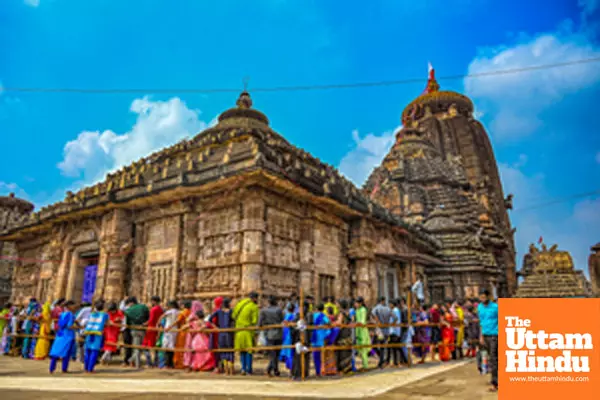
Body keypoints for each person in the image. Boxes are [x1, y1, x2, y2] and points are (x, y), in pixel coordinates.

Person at [233, 291, 259, 375]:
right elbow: (254, 321)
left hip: (239, 331)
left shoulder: (240, 303)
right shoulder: (254, 307)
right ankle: (249, 369)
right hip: (248, 331)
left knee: (242, 351)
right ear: (255, 298)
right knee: (249, 351)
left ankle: (243, 368)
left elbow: (233, 316)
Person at [49, 300, 79, 374]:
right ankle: (64, 369)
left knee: (55, 352)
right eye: (73, 305)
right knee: (67, 353)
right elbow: (69, 326)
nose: (75, 307)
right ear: (70, 306)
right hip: (68, 336)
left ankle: (51, 368)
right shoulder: (70, 314)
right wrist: (78, 327)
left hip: (60, 334)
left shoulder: (62, 314)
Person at [258, 295, 284, 377]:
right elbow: (282, 320)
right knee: (276, 353)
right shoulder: (279, 310)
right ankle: (274, 370)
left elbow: (259, 323)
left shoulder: (263, 311)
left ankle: (272, 369)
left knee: (272, 354)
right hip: (278, 333)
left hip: (269, 334)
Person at [478, 289, 498, 393]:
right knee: (487, 358)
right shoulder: (480, 307)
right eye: (480, 297)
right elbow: (481, 322)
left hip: (495, 335)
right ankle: (496, 379)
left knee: (494, 359)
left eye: (483, 297)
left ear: (488, 297)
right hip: (485, 335)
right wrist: (481, 336)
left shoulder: (495, 307)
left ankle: (495, 383)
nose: (482, 299)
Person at [124, 297, 150, 368]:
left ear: (131, 302)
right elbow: (148, 317)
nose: (128, 305)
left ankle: (135, 363)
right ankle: (137, 363)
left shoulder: (128, 311)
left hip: (134, 329)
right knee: (142, 347)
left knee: (136, 348)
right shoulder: (144, 307)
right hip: (143, 329)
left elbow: (127, 322)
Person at [83, 300, 108, 373]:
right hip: (97, 334)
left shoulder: (92, 314)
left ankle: (86, 368)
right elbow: (108, 322)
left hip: (89, 332)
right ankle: (90, 369)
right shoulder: (104, 314)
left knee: (88, 351)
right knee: (94, 351)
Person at [214, 297, 234, 375]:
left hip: (221, 333)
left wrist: (216, 327)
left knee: (223, 350)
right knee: (230, 350)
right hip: (229, 333)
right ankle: (231, 370)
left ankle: (226, 371)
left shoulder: (218, 311)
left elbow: (210, 320)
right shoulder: (231, 311)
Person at [371, 296, 393, 368]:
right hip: (386, 330)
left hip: (379, 330)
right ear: (383, 301)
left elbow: (373, 314)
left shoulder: (376, 308)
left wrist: (377, 321)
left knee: (374, 344)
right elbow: (395, 317)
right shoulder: (388, 308)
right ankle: (382, 360)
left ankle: (381, 360)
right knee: (382, 346)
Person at [142, 296, 163, 368]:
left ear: (154, 301)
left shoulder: (153, 309)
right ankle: (156, 362)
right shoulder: (161, 309)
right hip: (157, 329)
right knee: (156, 346)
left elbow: (151, 319)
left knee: (145, 346)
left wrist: (144, 324)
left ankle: (149, 362)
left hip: (151, 329)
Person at [310, 303, 330, 377]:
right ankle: (323, 370)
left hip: (314, 336)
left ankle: (317, 371)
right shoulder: (324, 316)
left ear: (316, 308)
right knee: (322, 355)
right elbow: (328, 323)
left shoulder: (313, 315)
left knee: (315, 354)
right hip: (321, 336)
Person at [183, 301, 204, 370]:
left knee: (189, 348)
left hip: (191, 334)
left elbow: (187, 322)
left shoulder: (192, 315)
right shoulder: (200, 315)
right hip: (198, 335)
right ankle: (195, 364)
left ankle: (188, 364)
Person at [334, 299, 353, 374]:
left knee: (342, 351)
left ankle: (343, 369)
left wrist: (332, 323)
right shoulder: (348, 312)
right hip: (348, 332)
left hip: (343, 333)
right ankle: (348, 368)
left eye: (337, 303)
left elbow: (339, 323)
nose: (336, 304)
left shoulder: (341, 313)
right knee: (347, 350)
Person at [161, 300, 180, 369]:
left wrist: (158, 324)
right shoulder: (179, 312)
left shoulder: (169, 311)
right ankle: (171, 364)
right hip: (175, 329)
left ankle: (166, 364)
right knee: (172, 346)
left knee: (167, 346)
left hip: (168, 329)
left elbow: (162, 316)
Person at [173, 300, 192, 369]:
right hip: (189, 331)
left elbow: (178, 321)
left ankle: (180, 363)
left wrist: (170, 326)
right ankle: (186, 362)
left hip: (182, 331)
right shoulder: (191, 312)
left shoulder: (183, 312)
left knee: (180, 346)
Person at [279, 303, 296, 373]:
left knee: (288, 351)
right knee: (290, 351)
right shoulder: (293, 315)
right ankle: (290, 367)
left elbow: (284, 323)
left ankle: (290, 367)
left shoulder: (287, 315)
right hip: (289, 335)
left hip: (287, 335)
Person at [354, 297, 370, 370]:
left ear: (360, 303)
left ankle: (366, 366)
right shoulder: (357, 310)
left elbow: (362, 321)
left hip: (363, 331)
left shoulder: (363, 310)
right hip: (358, 330)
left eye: (357, 303)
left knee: (364, 348)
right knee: (359, 348)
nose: (355, 304)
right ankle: (364, 364)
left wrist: (356, 323)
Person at [208, 296, 223, 371]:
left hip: (216, 332)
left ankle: (217, 366)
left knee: (216, 348)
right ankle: (219, 366)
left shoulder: (215, 310)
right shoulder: (220, 310)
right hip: (219, 332)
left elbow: (211, 321)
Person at [388, 299, 402, 367]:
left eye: (390, 304)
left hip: (394, 331)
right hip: (394, 331)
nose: (389, 305)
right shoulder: (395, 310)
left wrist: (392, 324)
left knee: (395, 347)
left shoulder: (395, 310)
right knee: (394, 347)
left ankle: (397, 362)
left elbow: (396, 319)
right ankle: (395, 362)